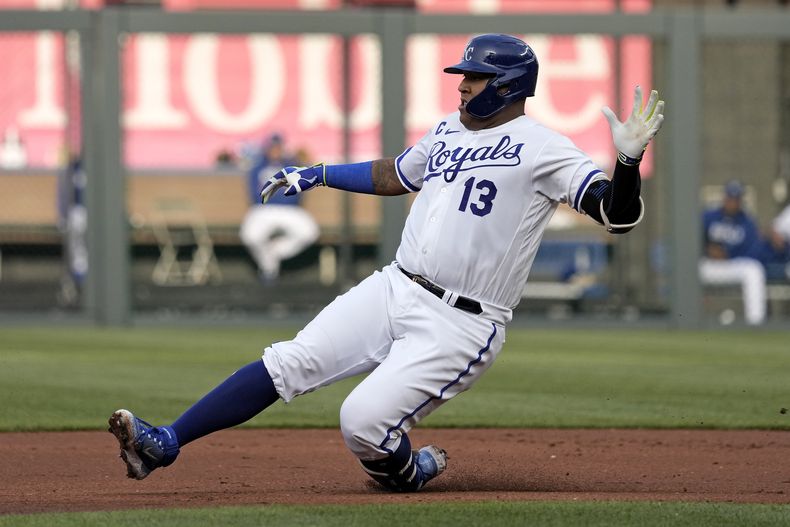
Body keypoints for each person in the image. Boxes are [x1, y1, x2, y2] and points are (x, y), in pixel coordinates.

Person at [109, 34, 664, 492]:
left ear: (509, 86)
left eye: (474, 77)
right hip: (396, 286)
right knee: (289, 361)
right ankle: (164, 445)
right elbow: (394, 175)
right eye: (462, 75)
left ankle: (409, 470)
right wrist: (319, 172)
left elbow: (615, 215)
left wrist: (627, 160)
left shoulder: (545, 147)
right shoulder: (448, 130)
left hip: (462, 322)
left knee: (361, 425)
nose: (462, 85)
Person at [239, 133, 320, 282]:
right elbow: (254, 195)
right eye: (272, 147)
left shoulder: (292, 165)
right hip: (264, 209)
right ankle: (269, 268)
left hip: (289, 209)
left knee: (309, 232)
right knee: (250, 236)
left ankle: (273, 253)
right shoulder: (258, 166)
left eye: (278, 147)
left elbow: (300, 190)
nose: (275, 151)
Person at [699, 180, 767, 325]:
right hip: (710, 265)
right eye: (730, 198)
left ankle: (755, 322)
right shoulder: (708, 216)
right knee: (688, 270)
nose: (732, 202)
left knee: (754, 270)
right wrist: (708, 250)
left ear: (740, 201)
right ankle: (686, 318)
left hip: (733, 265)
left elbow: (754, 251)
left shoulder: (747, 222)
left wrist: (727, 254)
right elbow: (693, 241)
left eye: (736, 199)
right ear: (724, 198)